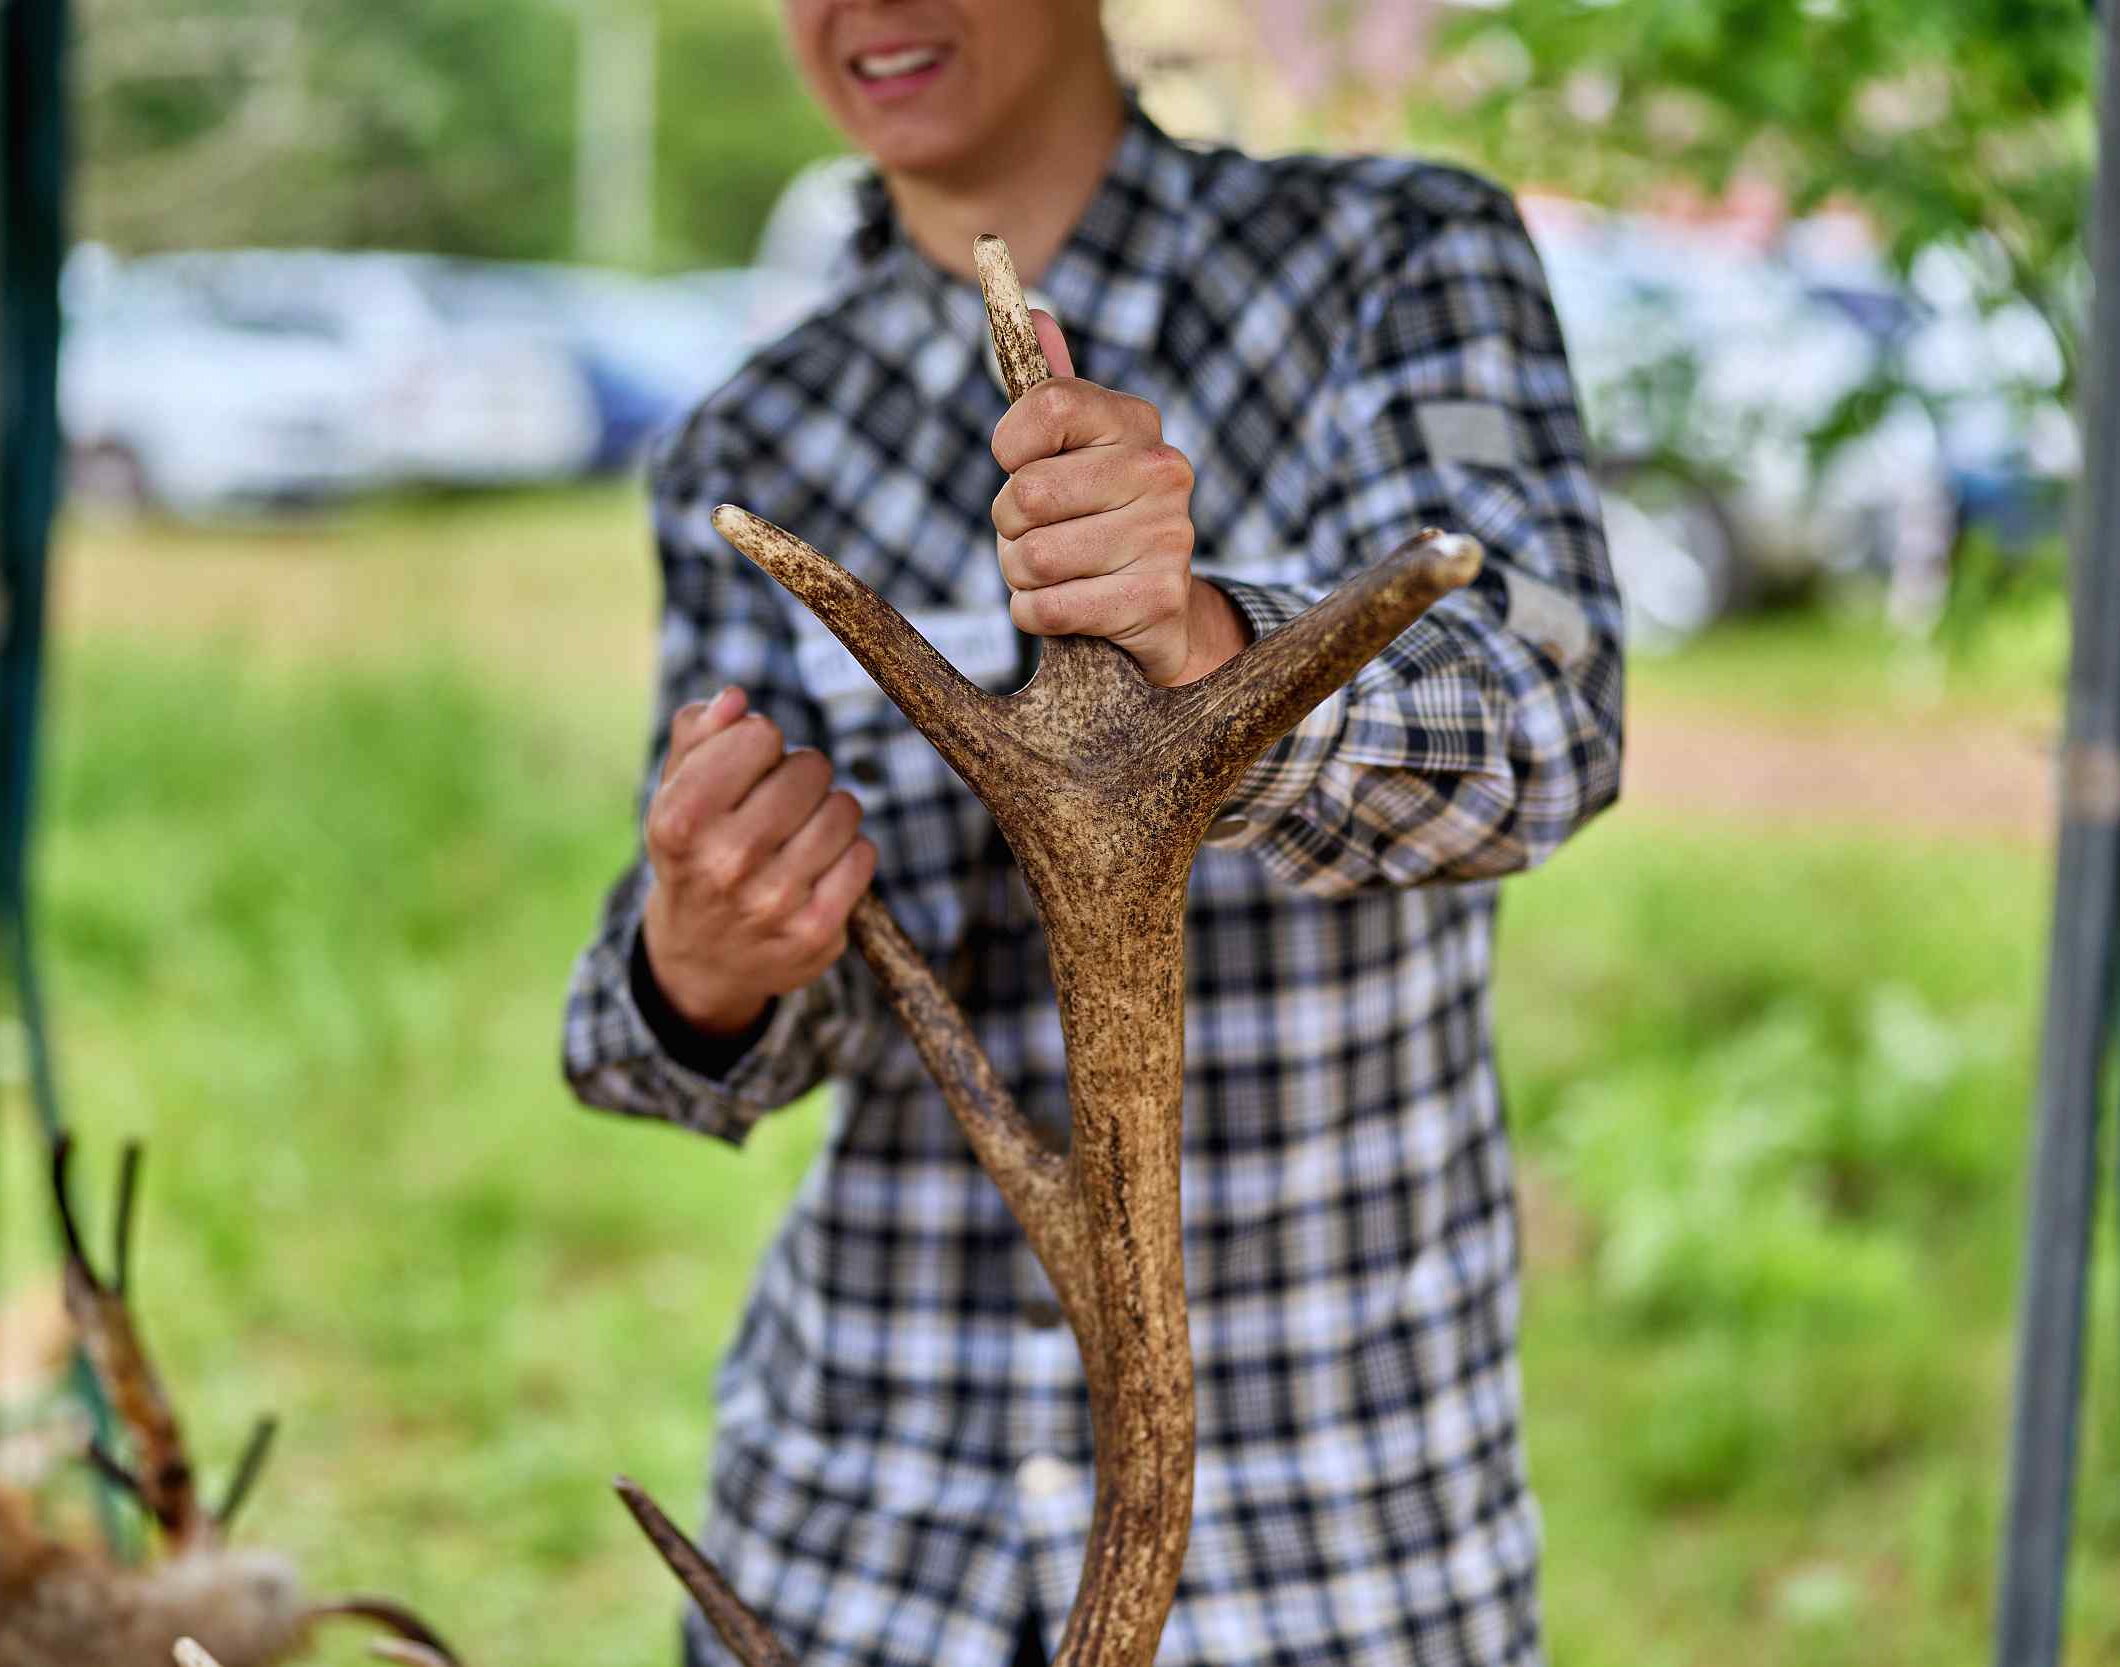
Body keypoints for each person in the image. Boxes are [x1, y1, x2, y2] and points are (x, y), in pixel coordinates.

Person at [563, 3, 1623, 1662]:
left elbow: (1550, 709)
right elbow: (679, 1036)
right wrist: (706, 958)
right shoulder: (754, 445)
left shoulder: (1390, 264)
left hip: (1321, 1554)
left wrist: (1216, 654)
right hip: (863, 1549)